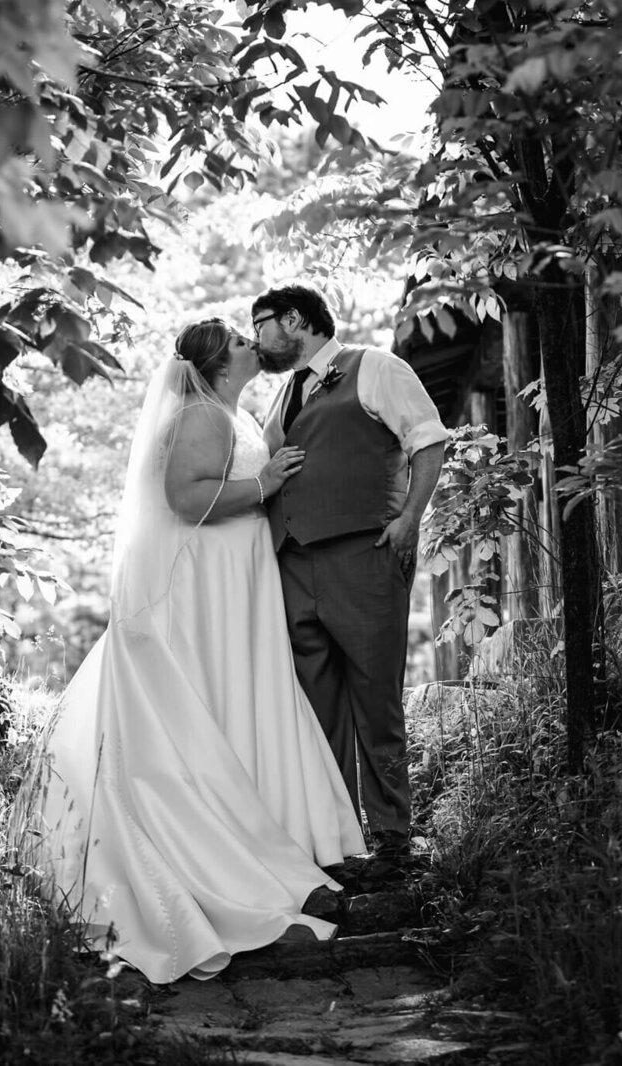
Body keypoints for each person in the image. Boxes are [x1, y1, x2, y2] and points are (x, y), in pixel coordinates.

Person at [25, 318, 366, 985]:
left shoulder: (227, 414)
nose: (250, 344)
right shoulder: (201, 416)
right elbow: (185, 499)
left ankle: (264, 840)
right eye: (240, 340)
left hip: (229, 588)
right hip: (197, 596)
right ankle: (217, 859)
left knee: (228, 708)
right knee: (200, 714)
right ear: (216, 364)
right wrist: (265, 485)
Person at [254, 284, 448, 863]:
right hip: (292, 566)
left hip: (363, 558)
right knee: (317, 710)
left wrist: (410, 518)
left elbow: (427, 441)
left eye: (261, 324)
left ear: (294, 319)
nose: (256, 339)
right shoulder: (281, 395)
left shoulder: (377, 367)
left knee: (375, 699)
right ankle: (337, 838)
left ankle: (392, 837)